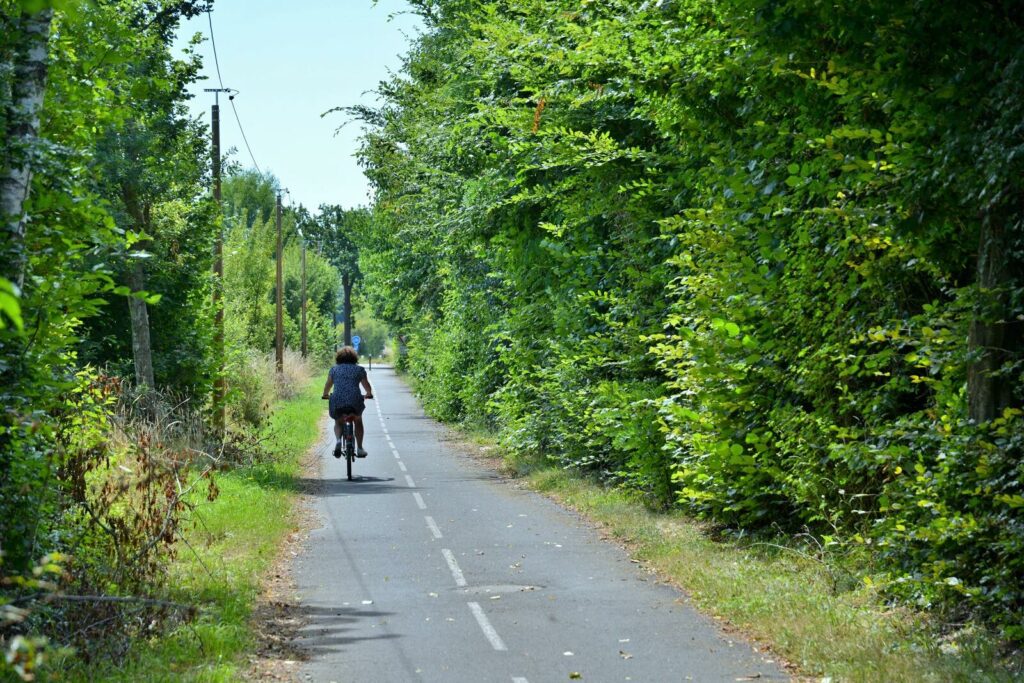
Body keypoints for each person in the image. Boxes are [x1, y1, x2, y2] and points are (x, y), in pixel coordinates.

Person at [322, 346, 374, 457]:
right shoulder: (359, 370)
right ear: (354, 358)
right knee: (358, 420)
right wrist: (369, 394)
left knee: (338, 421)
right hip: (355, 400)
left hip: (337, 400)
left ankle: (338, 441)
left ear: (339, 358)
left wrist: (325, 394)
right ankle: (359, 448)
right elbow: (366, 386)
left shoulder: (334, 369)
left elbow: (328, 385)